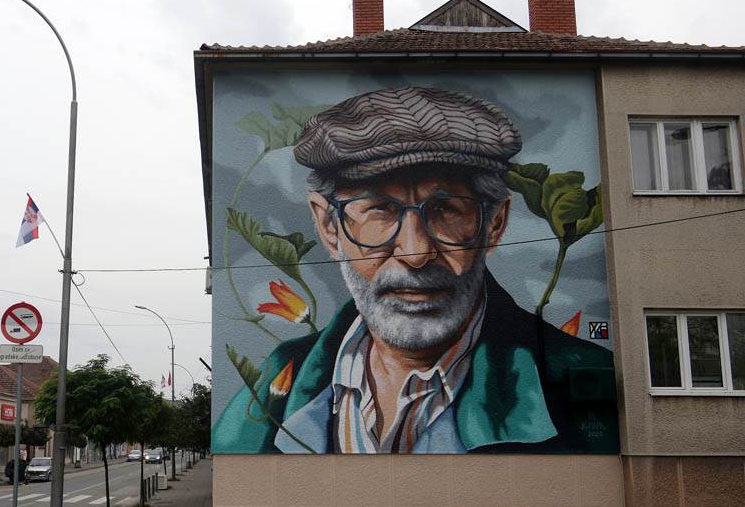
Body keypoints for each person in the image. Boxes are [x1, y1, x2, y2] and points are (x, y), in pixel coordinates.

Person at [214, 86, 616, 454]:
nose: (415, 252)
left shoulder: (572, 379)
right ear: (328, 227)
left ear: (494, 224)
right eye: (380, 210)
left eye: (445, 210)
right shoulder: (281, 378)